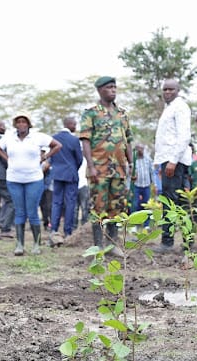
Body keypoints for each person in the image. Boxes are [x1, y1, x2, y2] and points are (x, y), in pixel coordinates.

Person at [80, 76, 134, 257]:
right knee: (98, 207)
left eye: (114, 87)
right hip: (99, 169)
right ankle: (98, 246)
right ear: (100, 90)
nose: (113, 90)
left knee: (116, 207)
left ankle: (113, 245)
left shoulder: (123, 114)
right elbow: (85, 140)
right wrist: (91, 166)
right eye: (109, 87)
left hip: (119, 169)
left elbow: (128, 141)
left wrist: (131, 163)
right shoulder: (91, 113)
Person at [0, 112, 61, 255]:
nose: (21, 124)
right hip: (14, 179)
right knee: (19, 212)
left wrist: (44, 157)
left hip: (34, 179)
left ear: (29, 124)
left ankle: (36, 245)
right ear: (15, 124)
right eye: (18, 122)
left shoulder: (38, 137)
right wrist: (7, 159)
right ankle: (19, 245)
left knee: (32, 213)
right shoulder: (9, 138)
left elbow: (57, 145)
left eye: (24, 122)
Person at [153, 79, 193, 253]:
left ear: (178, 90)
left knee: (170, 202)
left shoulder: (180, 107)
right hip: (168, 160)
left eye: (171, 89)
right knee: (177, 201)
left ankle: (167, 242)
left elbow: (184, 136)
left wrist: (172, 161)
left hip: (174, 161)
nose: (167, 92)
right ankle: (187, 241)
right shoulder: (168, 108)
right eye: (165, 89)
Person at [49, 117, 83, 245]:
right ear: (69, 125)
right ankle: (68, 232)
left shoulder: (54, 137)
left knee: (56, 202)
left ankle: (53, 230)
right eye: (74, 124)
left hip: (57, 174)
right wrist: (73, 168)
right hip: (71, 174)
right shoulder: (74, 139)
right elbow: (79, 159)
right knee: (70, 203)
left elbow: (51, 156)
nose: (75, 126)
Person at [131, 144, 153, 224]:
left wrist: (154, 184)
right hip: (136, 186)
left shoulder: (148, 159)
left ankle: (146, 224)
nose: (140, 150)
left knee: (146, 205)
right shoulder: (133, 161)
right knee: (135, 204)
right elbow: (129, 174)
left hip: (146, 185)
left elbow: (151, 171)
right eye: (138, 149)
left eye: (141, 148)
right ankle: (134, 223)